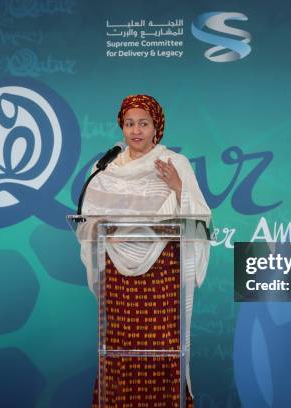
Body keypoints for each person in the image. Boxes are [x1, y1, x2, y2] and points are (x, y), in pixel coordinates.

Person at [77, 94, 211, 407]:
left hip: (162, 275)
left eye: (143, 123)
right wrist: (103, 234)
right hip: (118, 279)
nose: (136, 130)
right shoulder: (104, 168)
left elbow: (200, 220)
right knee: (119, 349)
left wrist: (179, 188)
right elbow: (87, 221)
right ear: (121, 127)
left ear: (156, 128)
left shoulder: (174, 164)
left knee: (163, 348)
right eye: (129, 124)